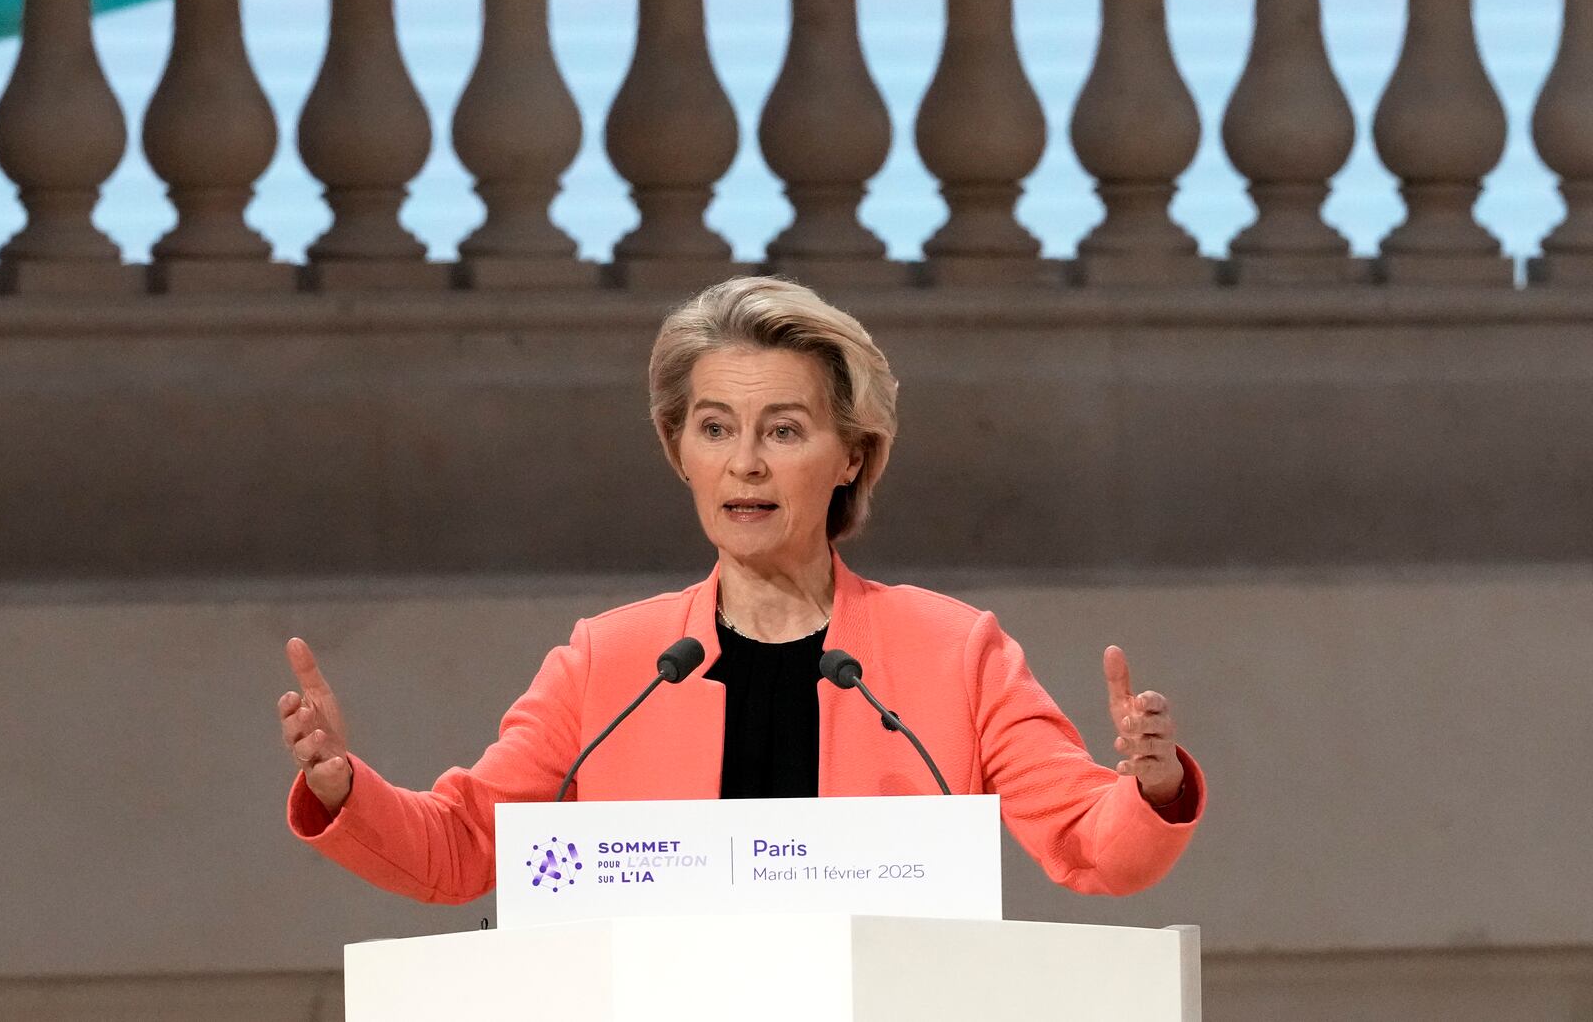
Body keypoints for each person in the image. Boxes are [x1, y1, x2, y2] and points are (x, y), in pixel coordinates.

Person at [279, 276, 1204, 904]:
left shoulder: (953, 653)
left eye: (785, 430)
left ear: (851, 454)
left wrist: (1150, 787)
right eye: (715, 428)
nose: (747, 464)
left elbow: (1090, 841)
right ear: (679, 450)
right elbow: (462, 844)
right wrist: (340, 784)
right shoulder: (612, 664)